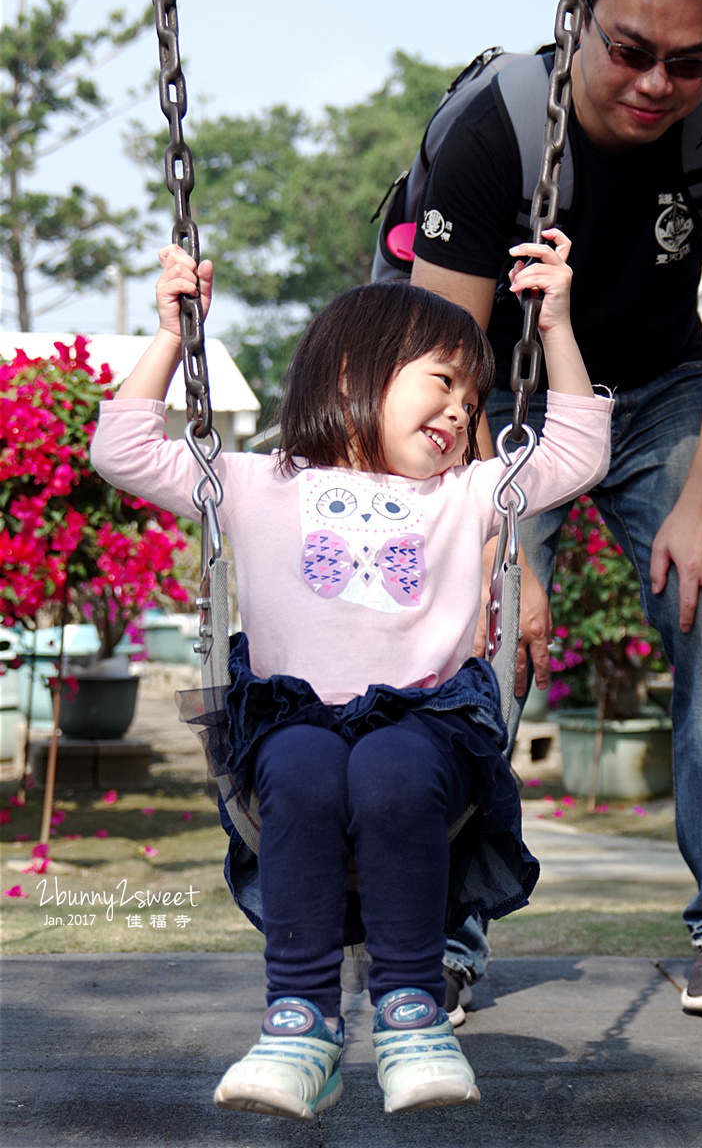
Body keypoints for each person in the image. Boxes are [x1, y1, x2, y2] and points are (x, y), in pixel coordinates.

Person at [90, 230, 610, 1121]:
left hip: (424, 722)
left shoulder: (468, 493)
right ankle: (299, 1023)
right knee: (295, 768)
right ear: (347, 376)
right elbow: (126, 450)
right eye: (440, 381)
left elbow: (575, 453)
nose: (459, 410)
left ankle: (410, 1013)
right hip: (295, 719)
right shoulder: (258, 482)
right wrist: (175, 336)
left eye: (472, 393)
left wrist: (554, 325)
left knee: (390, 769)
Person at [411, 0, 702, 1020]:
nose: (655, 83)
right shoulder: (496, 127)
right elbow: (442, 359)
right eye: (629, 49)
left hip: (659, 394)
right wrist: (499, 546)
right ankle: (443, 928)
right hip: (504, 399)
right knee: (478, 636)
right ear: (579, 15)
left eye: (688, 60)